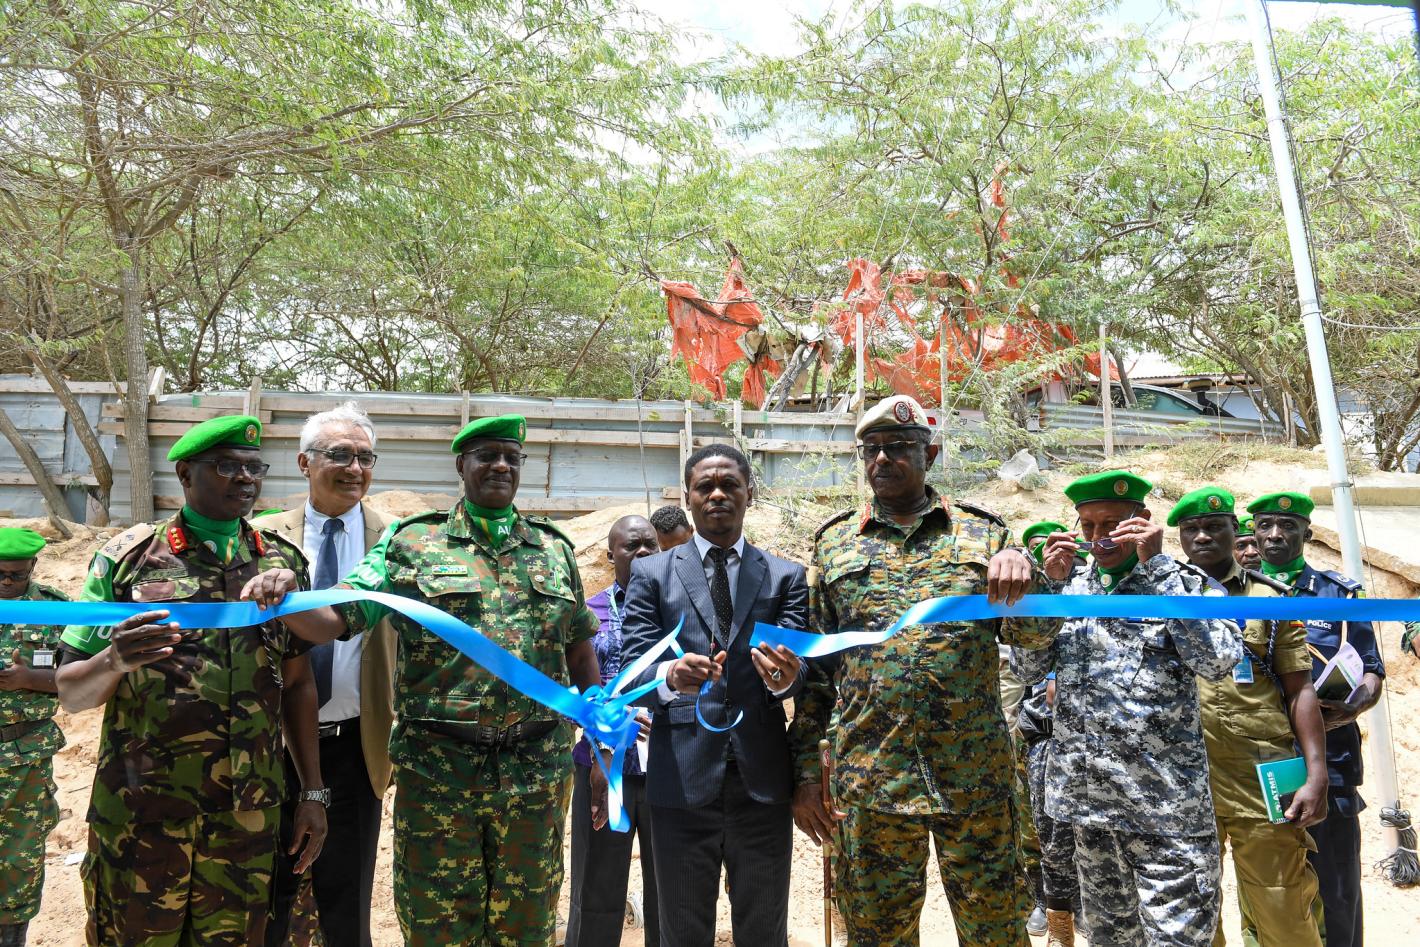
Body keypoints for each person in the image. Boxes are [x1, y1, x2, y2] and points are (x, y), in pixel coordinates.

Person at [247, 414, 603, 946]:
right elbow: (334, 620)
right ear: (461, 465)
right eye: (486, 455)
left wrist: (600, 743)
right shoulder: (412, 543)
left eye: (511, 457)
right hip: (440, 780)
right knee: (439, 932)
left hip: (535, 778)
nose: (500, 466)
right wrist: (286, 596)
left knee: (527, 930)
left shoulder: (554, 549)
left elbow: (579, 649)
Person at [54, 415, 328, 946]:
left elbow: (297, 685)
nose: (244, 478)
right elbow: (70, 691)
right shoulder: (128, 560)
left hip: (246, 818)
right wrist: (113, 661)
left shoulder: (281, 563)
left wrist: (312, 791)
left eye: (254, 468)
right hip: (143, 813)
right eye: (226, 466)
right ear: (185, 474)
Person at [789, 395, 1051, 946]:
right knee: (877, 937)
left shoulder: (984, 536)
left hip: (974, 780)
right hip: (872, 782)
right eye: (872, 449)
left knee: (997, 933)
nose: (883, 458)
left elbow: (1035, 639)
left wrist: (1028, 572)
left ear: (929, 454)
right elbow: (818, 674)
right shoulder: (834, 542)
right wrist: (808, 775)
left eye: (899, 446)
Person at [1015, 470, 1243, 947]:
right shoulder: (1069, 593)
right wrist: (1048, 589)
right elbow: (1028, 667)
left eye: (1112, 525)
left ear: (1142, 522)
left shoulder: (1182, 584)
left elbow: (1218, 661)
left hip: (1166, 813)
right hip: (1090, 812)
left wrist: (1157, 567)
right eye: (1088, 527)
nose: (1099, 538)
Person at [619, 443, 809, 947]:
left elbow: (802, 668)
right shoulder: (651, 574)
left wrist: (784, 680)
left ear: (750, 492)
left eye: (730, 485)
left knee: (764, 931)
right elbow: (633, 672)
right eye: (705, 486)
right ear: (688, 497)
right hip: (681, 780)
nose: (718, 494)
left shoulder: (786, 576)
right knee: (682, 931)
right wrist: (669, 676)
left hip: (761, 783)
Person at [262, 402, 397, 947]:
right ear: (304, 462)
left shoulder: (398, 541)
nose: (355, 468)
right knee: (266, 900)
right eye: (340, 455)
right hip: (267, 747)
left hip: (356, 746)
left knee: (346, 903)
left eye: (366, 457)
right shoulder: (261, 539)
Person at [1168, 487, 1328, 946]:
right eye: (1192, 529)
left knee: (1282, 903)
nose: (1202, 536)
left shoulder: (1270, 597)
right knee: (1190, 912)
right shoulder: (1160, 596)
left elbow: (1300, 689)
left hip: (1261, 773)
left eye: (1214, 527)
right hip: (1179, 777)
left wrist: (1316, 773)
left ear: (1235, 531)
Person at [1248, 491, 1386, 947]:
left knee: (1336, 889)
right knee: (1267, 890)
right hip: (1259, 761)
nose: (1275, 534)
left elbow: (1371, 668)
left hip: (1331, 758)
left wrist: (1356, 706)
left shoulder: (1338, 593)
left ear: (1307, 534)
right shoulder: (1234, 594)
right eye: (1265, 525)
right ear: (1253, 533)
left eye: (1288, 526)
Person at [567, 515, 661, 947]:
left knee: (669, 891)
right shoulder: (589, 614)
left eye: (649, 545)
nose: (641, 552)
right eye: (630, 545)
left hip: (667, 771)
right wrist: (605, 731)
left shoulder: (679, 609)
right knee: (596, 890)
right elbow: (571, 690)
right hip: (601, 770)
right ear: (610, 556)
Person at [0, 528, 67, 947]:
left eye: (16, 575)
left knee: (17, 862)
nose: (7, 583)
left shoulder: (54, 611)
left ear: (33, 567)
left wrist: (30, 679)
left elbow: (83, 676)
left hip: (25, 759)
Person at [1017, 674, 1084, 947]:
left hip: (1101, 730)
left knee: (1099, 836)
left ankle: (1085, 901)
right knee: (1049, 836)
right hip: (1045, 729)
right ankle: (1056, 923)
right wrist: (1055, 673)